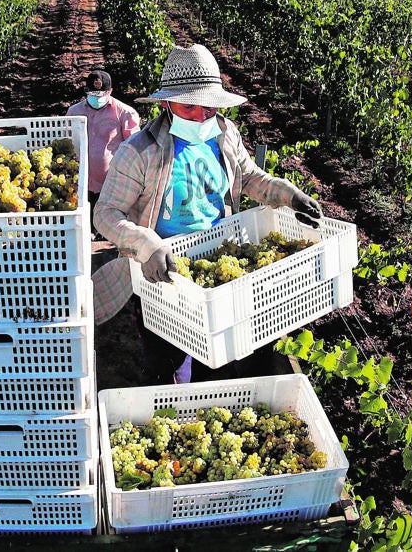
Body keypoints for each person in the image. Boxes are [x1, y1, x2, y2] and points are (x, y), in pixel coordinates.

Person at [91, 44, 322, 384]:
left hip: (214, 265)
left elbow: (250, 177)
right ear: (166, 104)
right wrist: (146, 244)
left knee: (215, 360)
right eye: (189, 107)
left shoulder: (224, 135)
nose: (201, 117)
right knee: (165, 360)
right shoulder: (139, 152)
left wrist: (289, 195)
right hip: (163, 274)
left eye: (209, 107)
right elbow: (106, 214)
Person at [66, 70, 141, 238]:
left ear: (110, 91)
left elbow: (134, 147)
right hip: (82, 180)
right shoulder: (74, 112)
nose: (96, 99)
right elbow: (66, 141)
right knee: (83, 225)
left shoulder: (125, 113)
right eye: (92, 94)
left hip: (111, 182)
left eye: (100, 95)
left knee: (108, 223)